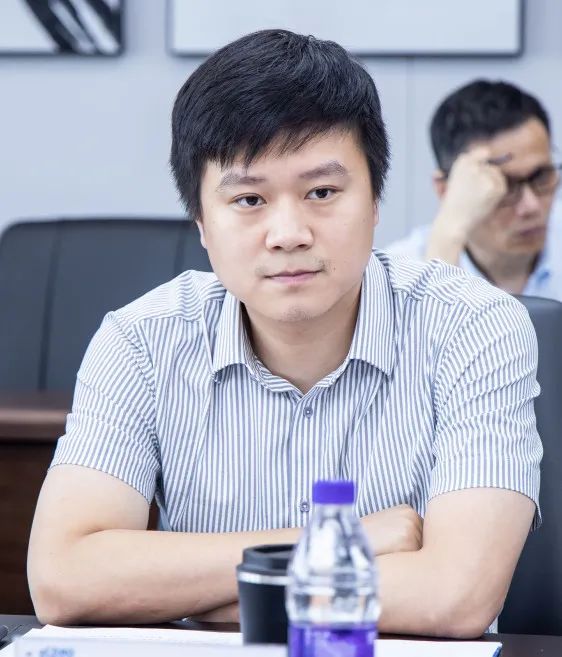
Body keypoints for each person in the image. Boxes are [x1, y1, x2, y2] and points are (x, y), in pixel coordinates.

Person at [28, 31, 541, 638]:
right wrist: (344, 542)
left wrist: (219, 595)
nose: (289, 233)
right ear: (201, 222)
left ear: (375, 201)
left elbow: (454, 597)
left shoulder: (474, 327)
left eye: (322, 192)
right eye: (249, 199)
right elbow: (64, 579)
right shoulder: (141, 341)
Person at [386, 79, 562, 299]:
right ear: (446, 190)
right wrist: (449, 235)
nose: (531, 206)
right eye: (505, 185)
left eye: (541, 176)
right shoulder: (396, 276)